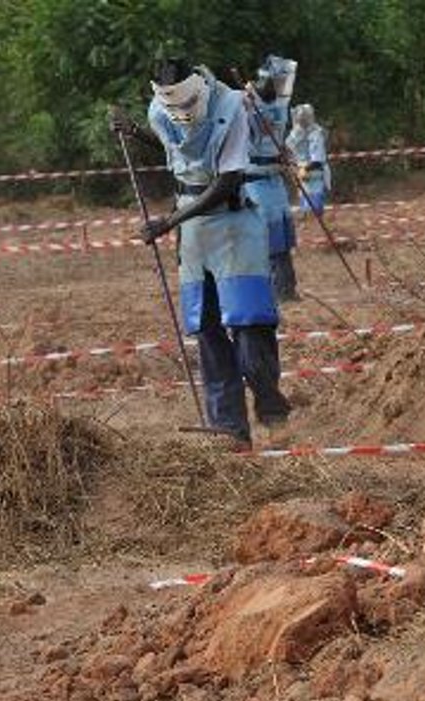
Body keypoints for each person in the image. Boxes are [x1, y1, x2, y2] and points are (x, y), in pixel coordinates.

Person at [110, 58, 290, 448]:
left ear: (199, 91)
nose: (181, 114)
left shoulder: (231, 108)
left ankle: (267, 392)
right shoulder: (161, 109)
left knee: (248, 324)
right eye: (172, 109)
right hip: (192, 235)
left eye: (187, 107)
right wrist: (135, 132)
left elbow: (226, 182)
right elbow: (176, 147)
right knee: (206, 328)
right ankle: (230, 429)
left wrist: (168, 222)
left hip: (234, 225)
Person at [245, 54, 300, 301]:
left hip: (275, 178)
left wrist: (285, 151)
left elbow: (281, 136)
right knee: (265, 238)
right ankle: (270, 289)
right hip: (255, 180)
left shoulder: (280, 104)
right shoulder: (244, 103)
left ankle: (287, 288)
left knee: (283, 236)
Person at [286, 103, 331, 217]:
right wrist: (294, 167)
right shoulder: (296, 133)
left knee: (315, 212)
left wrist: (304, 169)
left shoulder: (316, 134)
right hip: (302, 176)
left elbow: (317, 160)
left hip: (315, 176)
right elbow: (289, 150)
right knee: (305, 211)